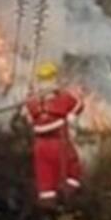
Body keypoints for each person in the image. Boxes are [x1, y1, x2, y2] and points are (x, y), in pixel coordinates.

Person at [25, 61, 84, 207]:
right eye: (44, 81)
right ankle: (51, 201)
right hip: (50, 143)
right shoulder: (35, 101)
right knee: (52, 170)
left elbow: (78, 105)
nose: (45, 84)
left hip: (54, 141)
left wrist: (72, 115)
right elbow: (29, 117)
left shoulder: (59, 98)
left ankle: (62, 196)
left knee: (66, 167)